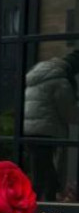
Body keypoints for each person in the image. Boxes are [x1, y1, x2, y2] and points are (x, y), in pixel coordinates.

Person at [24, 49, 79, 201]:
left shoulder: (39, 74)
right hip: (46, 131)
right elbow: (70, 112)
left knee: (40, 173)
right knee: (47, 176)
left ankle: (41, 210)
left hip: (29, 131)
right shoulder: (60, 81)